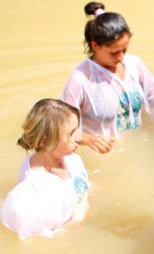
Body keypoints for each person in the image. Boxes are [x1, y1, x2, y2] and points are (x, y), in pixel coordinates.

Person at [62, 2, 154, 153]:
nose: (121, 56)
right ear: (95, 46)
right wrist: (89, 140)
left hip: (138, 146)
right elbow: (61, 128)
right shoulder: (81, 79)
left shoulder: (134, 63)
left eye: (125, 49)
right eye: (114, 52)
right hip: (101, 155)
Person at [2, 99, 90, 240]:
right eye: (72, 133)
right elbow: (46, 240)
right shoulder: (37, 193)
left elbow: (84, 187)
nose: (79, 137)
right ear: (45, 141)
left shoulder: (71, 159)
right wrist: (78, 222)